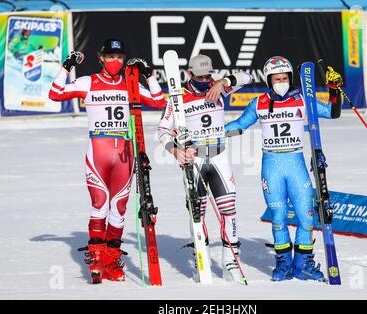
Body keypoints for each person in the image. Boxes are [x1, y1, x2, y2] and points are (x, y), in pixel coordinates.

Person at [48, 38, 166, 283]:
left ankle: (112, 260)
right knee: (99, 205)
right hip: (98, 152)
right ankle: (96, 259)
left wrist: (149, 76)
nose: (115, 61)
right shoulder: (88, 82)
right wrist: (67, 66)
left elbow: (159, 102)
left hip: (125, 153)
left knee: (119, 210)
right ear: (101, 58)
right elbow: (55, 93)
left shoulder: (129, 84)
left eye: (120, 57)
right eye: (110, 57)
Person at [225, 56, 343, 282]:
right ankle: (283, 264)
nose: (281, 82)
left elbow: (332, 112)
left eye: (285, 78)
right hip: (272, 166)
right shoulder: (259, 103)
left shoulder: (302, 100)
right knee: (278, 217)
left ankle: (303, 264)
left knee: (306, 217)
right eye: (277, 79)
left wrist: (334, 89)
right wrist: (213, 135)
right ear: (269, 81)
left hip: (296, 164)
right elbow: (240, 125)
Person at [158, 54, 252, 284]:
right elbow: (162, 129)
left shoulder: (218, 88)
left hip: (219, 158)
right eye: (199, 76)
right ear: (189, 74)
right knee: (197, 213)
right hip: (195, 160)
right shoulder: (178, 98)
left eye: (208, 75)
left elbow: (247, 77)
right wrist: (176, 151)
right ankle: (201, 258)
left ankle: (230, 262)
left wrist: (223, 82)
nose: (204, 80)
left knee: (228, 210)